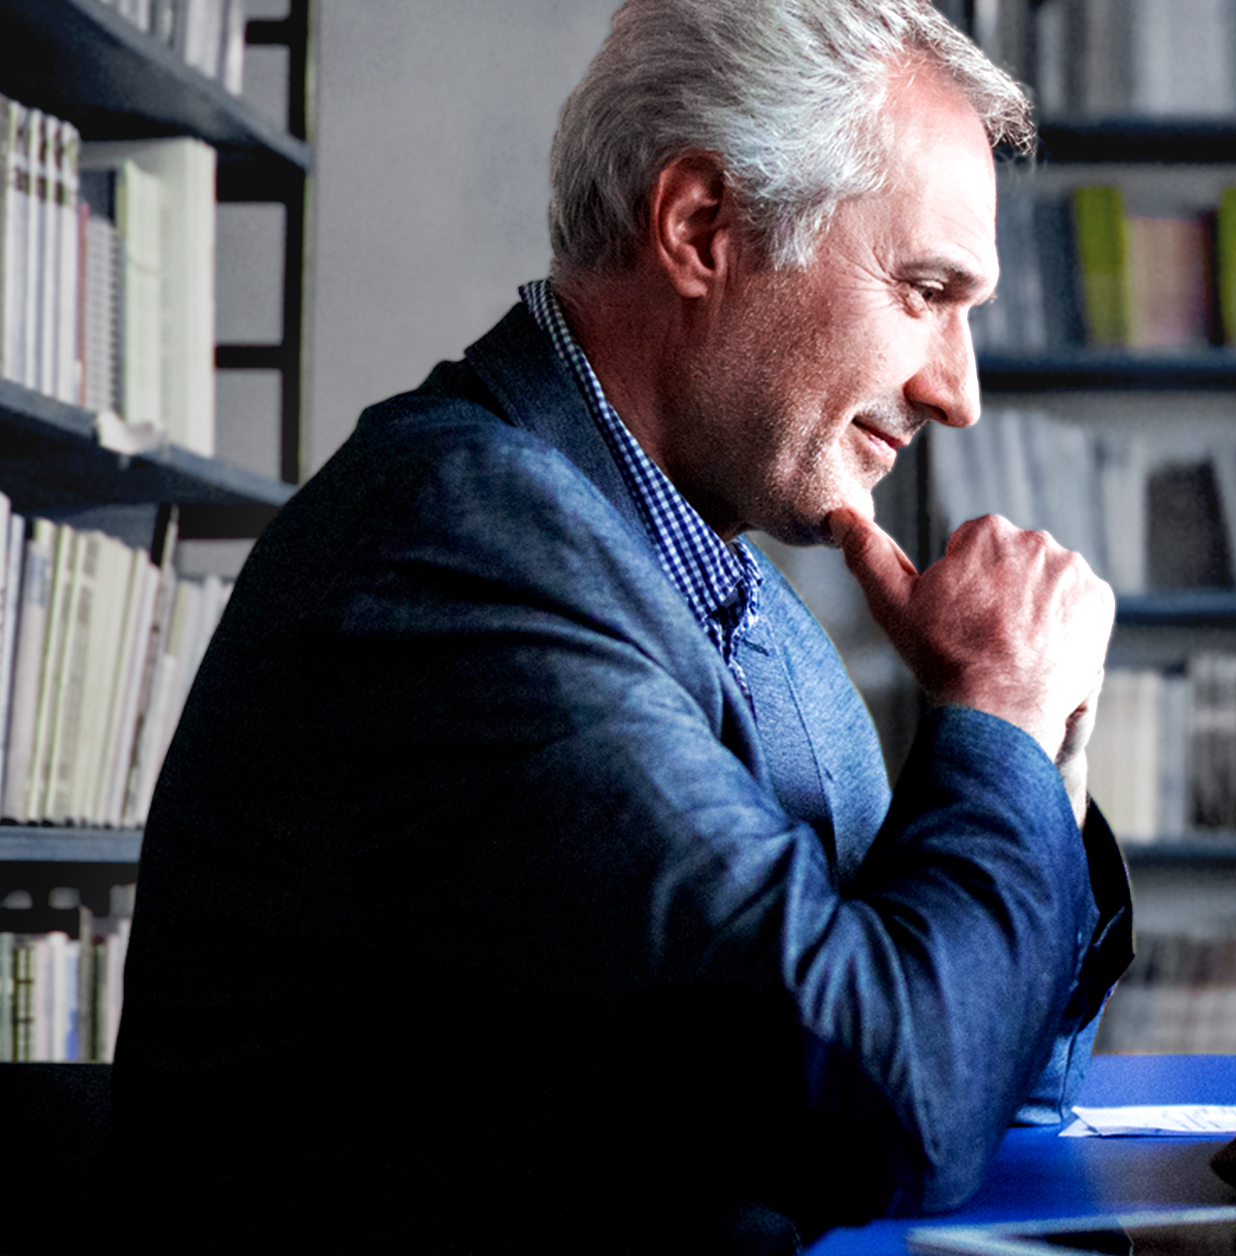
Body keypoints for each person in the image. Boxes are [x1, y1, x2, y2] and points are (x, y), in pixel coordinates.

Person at [106, 2, 1131, 1251]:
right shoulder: (458, 541)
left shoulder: (725, 590)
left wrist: (1043, 758)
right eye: (925, 291)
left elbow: (989, 1073)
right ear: (702, 227)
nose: (958, 392)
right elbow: (892, 1105)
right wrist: (999, 716)